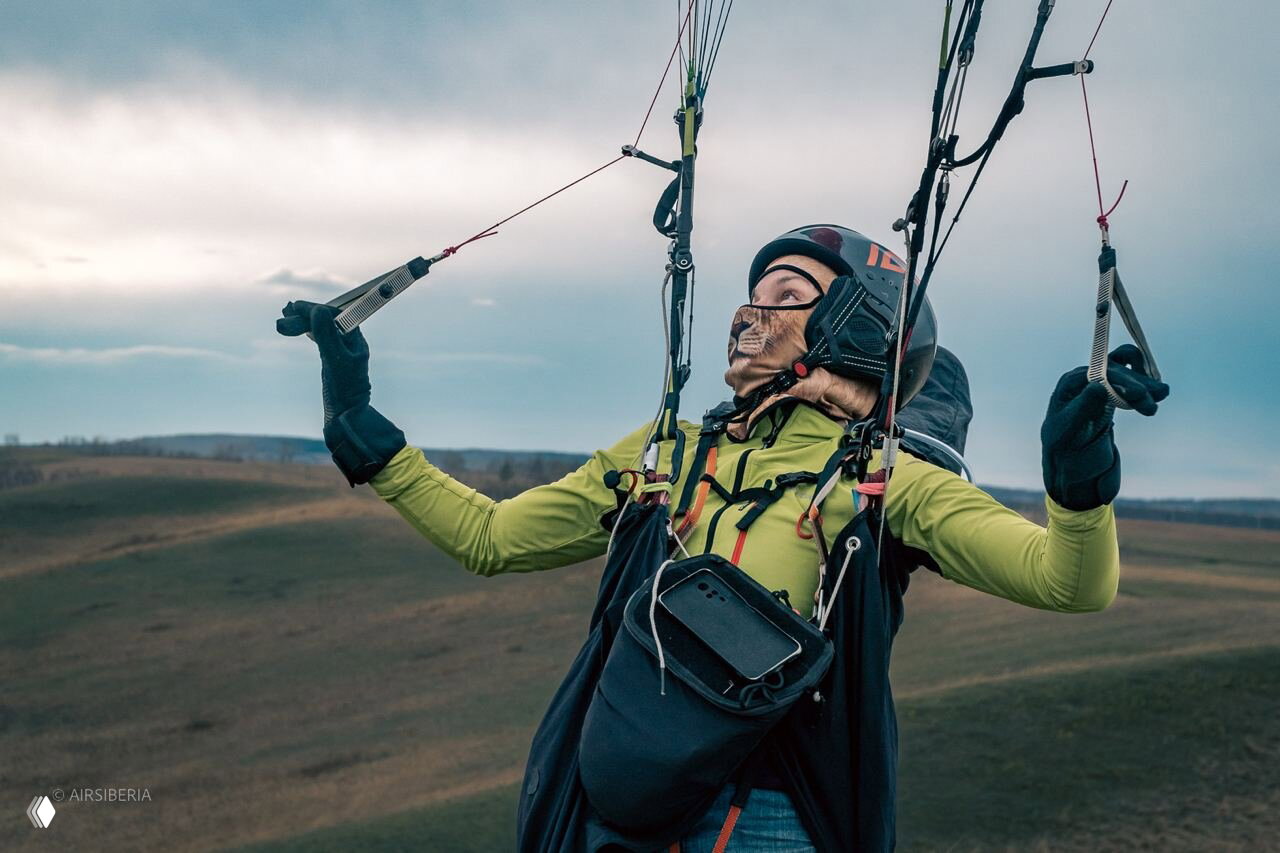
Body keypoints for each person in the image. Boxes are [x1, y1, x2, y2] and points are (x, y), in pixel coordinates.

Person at [278, 224, 1168, 852]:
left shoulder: (887, 478)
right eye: (755, 292)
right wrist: (361, 425)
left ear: (859, 326)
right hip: (615, 797)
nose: (754, 310)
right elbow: (493, 536)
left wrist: (1078, 481)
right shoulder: (672, 450)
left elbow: (1070, 582)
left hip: (775, 813)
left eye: (790, 295)